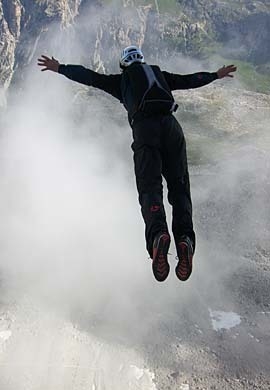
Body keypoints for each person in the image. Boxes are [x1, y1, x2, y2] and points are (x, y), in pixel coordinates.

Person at [38, 46, 236, 282]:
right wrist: (216, 75)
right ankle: (185, 239)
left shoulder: (120, 81)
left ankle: (158, 236)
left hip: (145, 131)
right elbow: (189, 80)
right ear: (142, 60)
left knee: (150, 189)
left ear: (123, 65)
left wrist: (60, 68)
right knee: (180, 188)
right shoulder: (159, 74)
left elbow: (89, 76)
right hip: (172, 129)